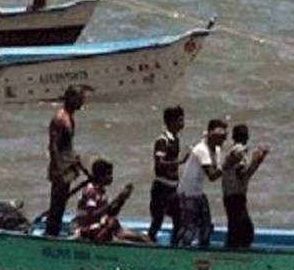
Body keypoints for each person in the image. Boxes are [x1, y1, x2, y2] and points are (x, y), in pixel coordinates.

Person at [174, 119, 228, 248]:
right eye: (219, 136)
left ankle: (203, 252)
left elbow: (218, 169)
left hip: (198, 192)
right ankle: (179, 250)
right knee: (189, 228)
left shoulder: (217, 150)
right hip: (187, 193)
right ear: (209, 133)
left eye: (224, 137)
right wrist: (229, 164)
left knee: (206, 226)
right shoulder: (201, 149)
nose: (222, 139)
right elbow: (212, 175)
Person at [72, 159, 150, 243]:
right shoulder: (90, 192)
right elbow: (89, 217)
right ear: (101, 176)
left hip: (103, 227)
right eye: (108, 174)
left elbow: (110, 213)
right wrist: (116, 201)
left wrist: (121, 200)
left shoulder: (102, 192)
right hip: (88, 230)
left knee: (143, 238)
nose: (111, 177)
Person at [45, 85, 85, 237]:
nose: (82, 101)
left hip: (67, 167)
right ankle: (50, 235)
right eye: (80, 98)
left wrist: (76, 162)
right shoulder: (60, 119)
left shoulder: (70, 118)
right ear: (70, 98)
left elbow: (67, 146)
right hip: (59, 168)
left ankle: (53, 233)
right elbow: (53, 146)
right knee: (56, 205)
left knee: (61, 204)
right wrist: (60, 169)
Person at [221, 124, 270, 249]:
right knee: (244, 232)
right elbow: (243, 174)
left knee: (236, 230)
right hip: (235, 196)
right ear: (247, 137)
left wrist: (257, 161)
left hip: (232, 195)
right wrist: (256, 160)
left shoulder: (234, 150)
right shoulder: (239, 151)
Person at [147, 105, 187, 242]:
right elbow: (159, 162)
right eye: (180, 120)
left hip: (172, 188)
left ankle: (174, 246)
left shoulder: (175, 140)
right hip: (161, 189)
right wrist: (179, 162)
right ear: (171, 122)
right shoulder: (162, 141)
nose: (183, 123)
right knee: (157, 220)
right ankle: (149, 244)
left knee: (179, 219)